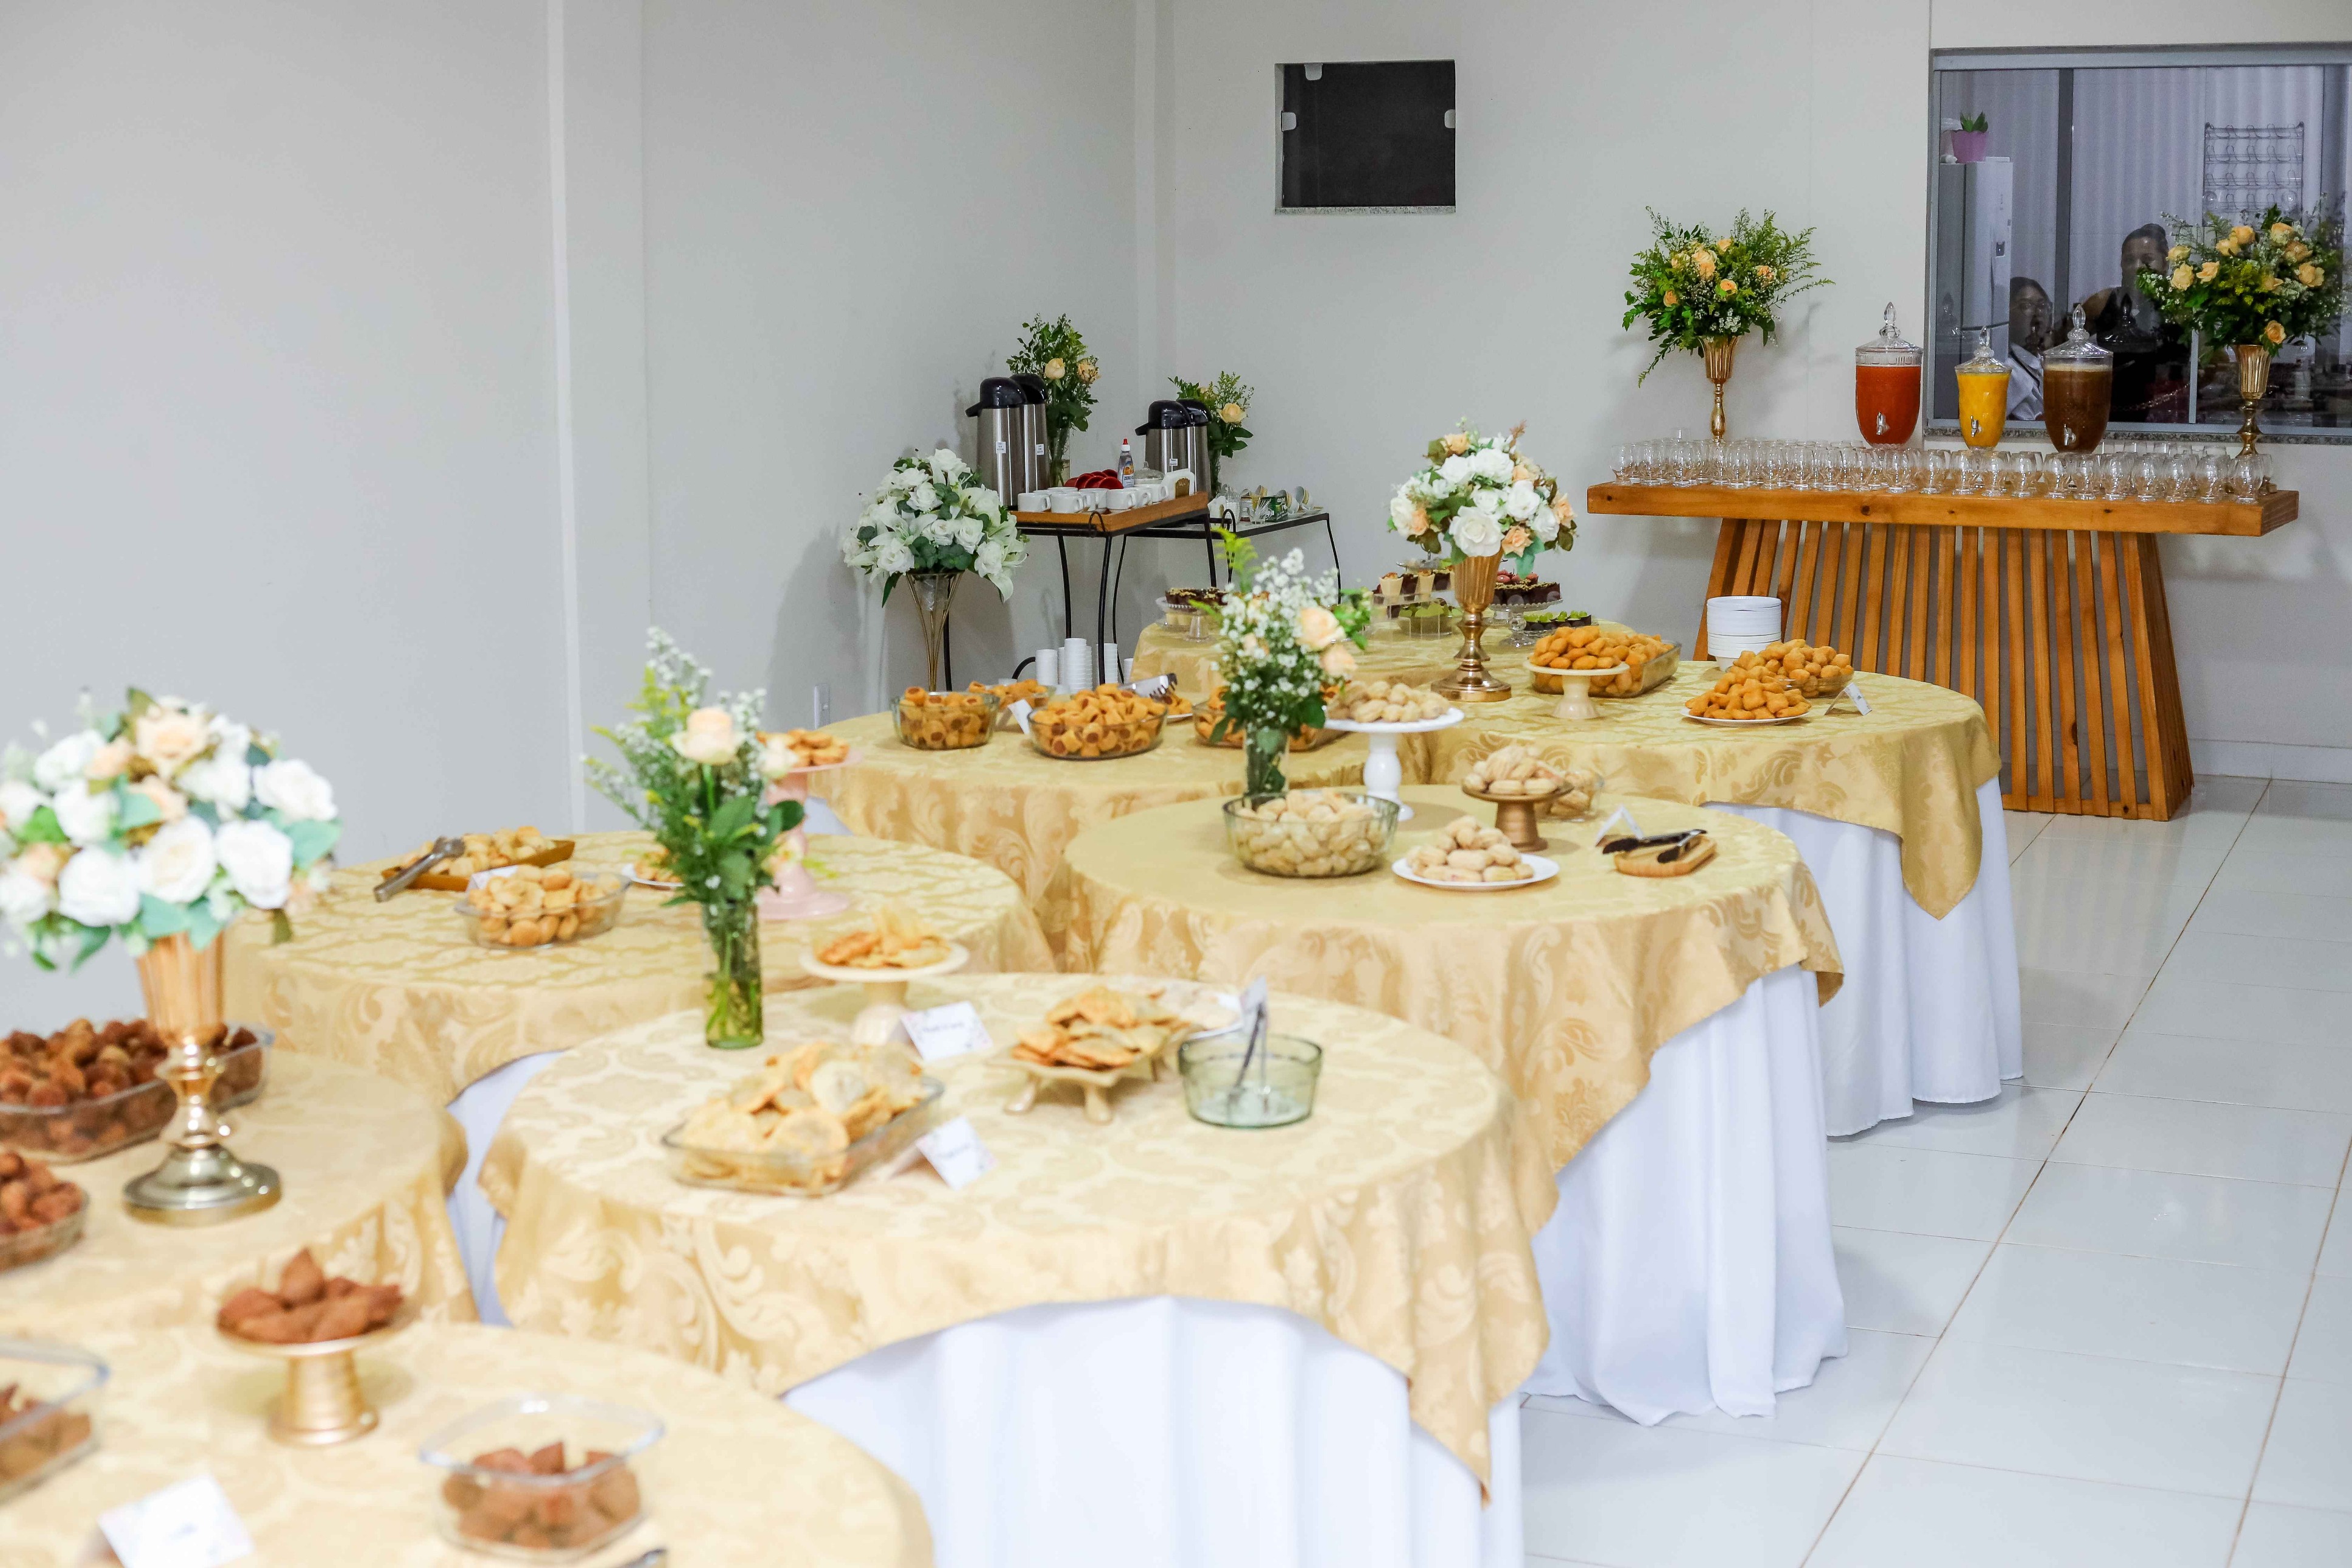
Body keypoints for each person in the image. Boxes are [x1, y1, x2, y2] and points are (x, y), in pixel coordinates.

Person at [2079, 224, 2189, 423]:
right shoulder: (2101, 302)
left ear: (2165, 264)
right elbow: (2068, 349)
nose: (2137, 267)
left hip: (2169, 413)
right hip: (2108, 412)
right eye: (2130, 260)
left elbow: (2214, 361)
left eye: (2147, 260)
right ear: (2121, 264)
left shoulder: (2180, 308)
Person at [2007, 276, 2055, 419]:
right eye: (2026, 306)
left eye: (2042, 305)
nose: (2038, 313)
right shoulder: (2010, 372)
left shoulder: (2041, 361)